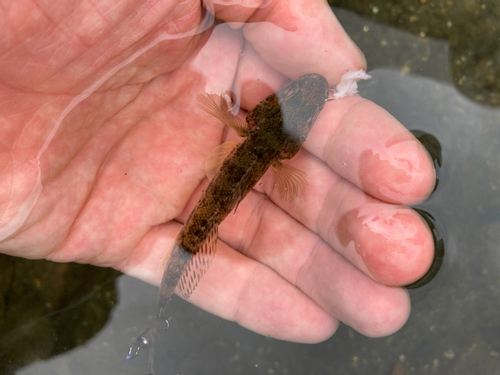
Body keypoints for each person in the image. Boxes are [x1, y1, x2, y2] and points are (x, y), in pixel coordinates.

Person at [0, 0, 435, 343]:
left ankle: (162, 311)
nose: (303, 95)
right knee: (201, 232)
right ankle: (163, 308)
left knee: (203, 231)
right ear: (289, 150)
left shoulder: (252, 127)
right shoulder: (282, 154)